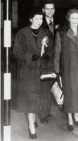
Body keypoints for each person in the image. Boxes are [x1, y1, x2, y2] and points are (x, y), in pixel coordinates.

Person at [13, 8, 54, 139]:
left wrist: (46, 57)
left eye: (41, 19)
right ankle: (31, 127)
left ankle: (35, 118)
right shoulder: (22, 33)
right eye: (36, 19)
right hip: (28, 71)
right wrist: (32, 56)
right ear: (31, 19)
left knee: (41, 98)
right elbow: (16, 51)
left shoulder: (46, 32)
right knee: (30, 100)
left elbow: (51, 50)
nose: (39, 21)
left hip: (42, 70)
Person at [54, 9, 78, 131]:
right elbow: (57, 52)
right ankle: (69, 117)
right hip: (68, 68)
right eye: (72, 18)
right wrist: (57, 70)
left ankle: (76, 116)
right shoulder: (62, 32)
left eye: (77, 18)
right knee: (69, 94)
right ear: (68, 19)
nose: (75, 20)